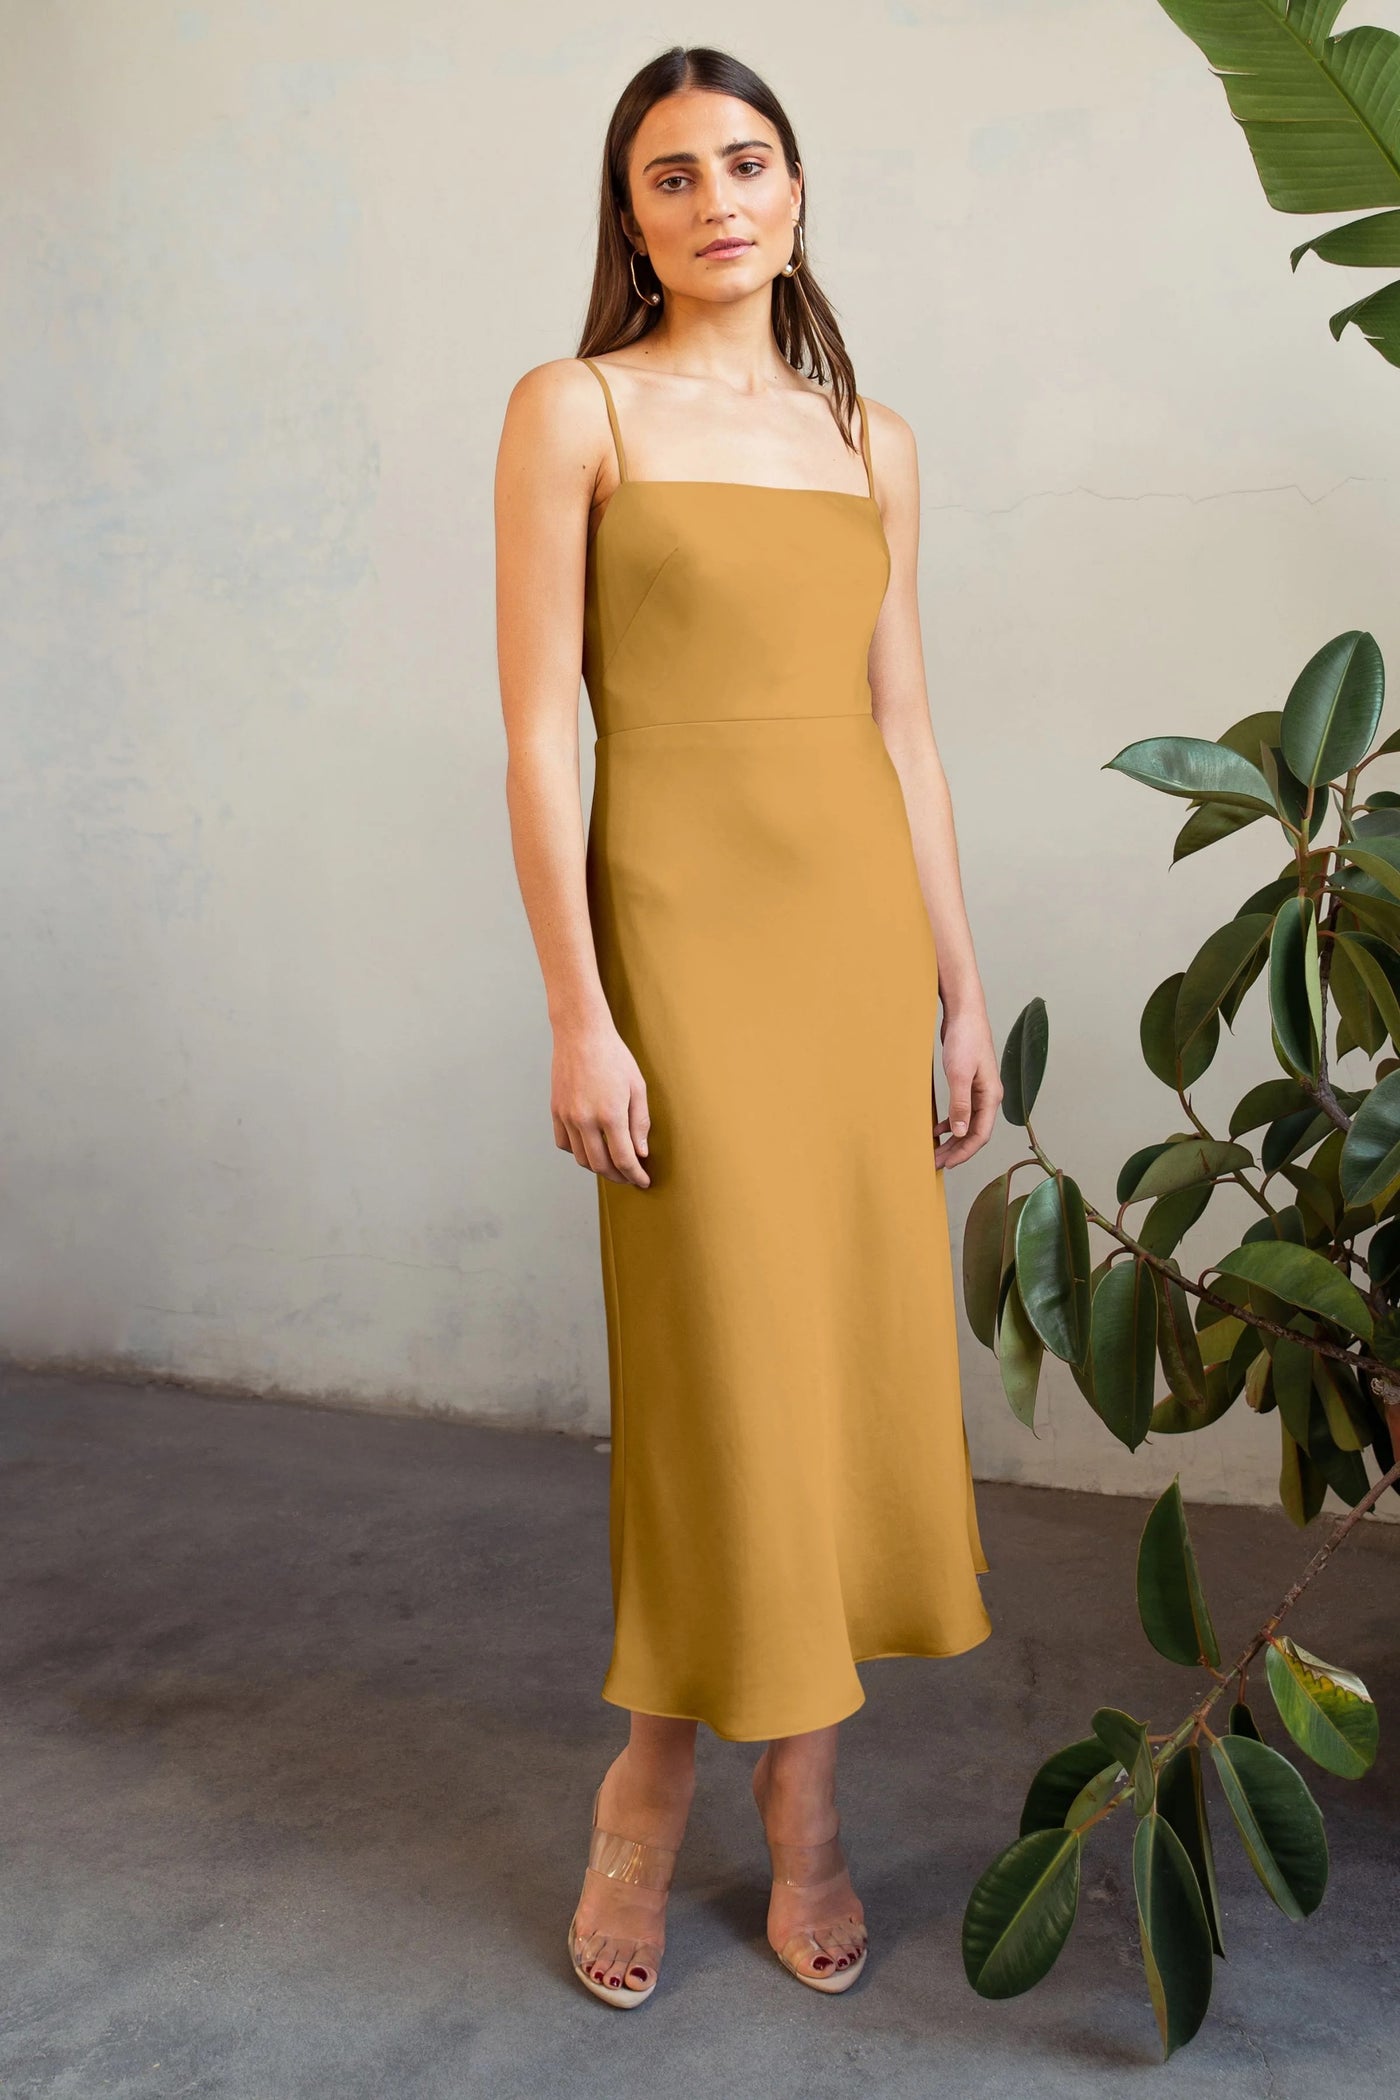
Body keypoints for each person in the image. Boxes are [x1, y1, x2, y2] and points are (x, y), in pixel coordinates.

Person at [495, 44, 1001, 2008]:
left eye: (749, 162)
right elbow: (544, 726)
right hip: (678, 942)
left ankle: (806, 1801)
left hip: (851, 938)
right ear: (628, 220)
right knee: (719, 1372)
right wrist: (577, 1008)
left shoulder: (868, 436)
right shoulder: (575, 409)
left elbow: (906, 728)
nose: (719, 199)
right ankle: (649, 1779)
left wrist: (962, 985)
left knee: (842, 1362)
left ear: (797, 190)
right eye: (673, 176)